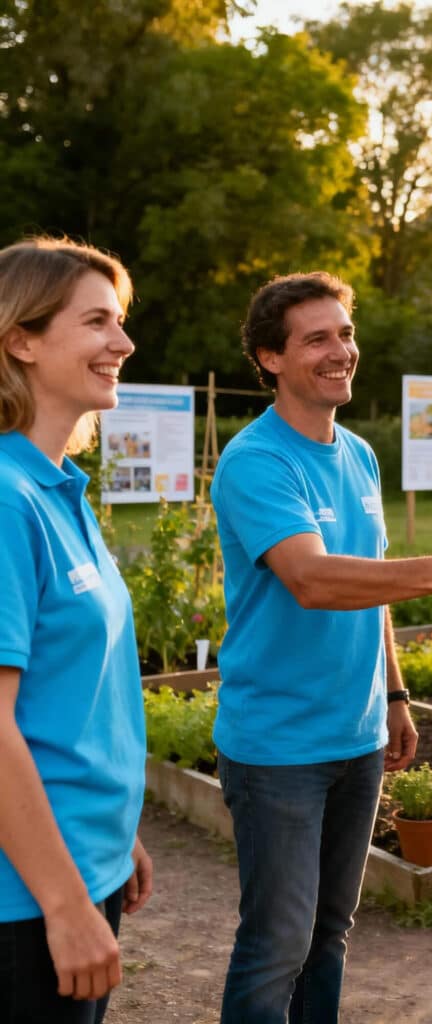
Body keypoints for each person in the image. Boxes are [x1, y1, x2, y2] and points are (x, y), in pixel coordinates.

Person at [210, 271, 432, 1023]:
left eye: (345, 333)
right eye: (316, 337)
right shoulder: (258, 461)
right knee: (277, 943)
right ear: (270, 358)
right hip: (278, 748)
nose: (340, 350)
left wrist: (397, 692)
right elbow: (313, 579)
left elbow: (370, 583)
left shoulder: (359, 455)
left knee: (329, 935)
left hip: (356, 737)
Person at [0, 238, 152, 1022]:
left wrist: (112, 834)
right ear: (20, 338)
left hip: (74, 860)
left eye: (120, 322)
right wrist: (64, 901)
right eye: (97, 322)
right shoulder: (4, 498)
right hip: (23, 900)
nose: (122, 344)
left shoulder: (57, 489)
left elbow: (73, 695)